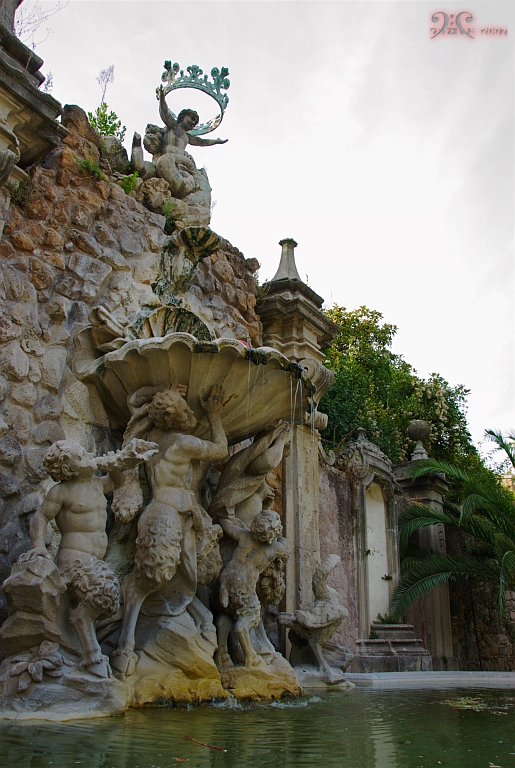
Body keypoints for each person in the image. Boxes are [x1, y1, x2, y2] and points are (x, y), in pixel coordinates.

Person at [110, 385, 228, 678]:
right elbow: (221, 450)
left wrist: (162, 391)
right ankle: (125, 643)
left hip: (181, 513)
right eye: (185, 411)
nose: (191, 414)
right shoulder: (181, 442)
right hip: (166, 514)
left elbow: (134, 398)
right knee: (152, 576)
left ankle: (189, 621)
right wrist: (213, 415)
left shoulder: (150, 437)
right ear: (173, 419)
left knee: (187, 572)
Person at [27, 438, 157, 678]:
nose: (89, 455)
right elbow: (41, 517)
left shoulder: (97, 483)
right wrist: (38, 547)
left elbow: (116, 481)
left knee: (106, 598)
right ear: (68, 468)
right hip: (73, 557)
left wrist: (125, 459)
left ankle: (83, 641)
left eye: (87, 451)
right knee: (103, 593)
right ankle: (90, 651)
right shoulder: (62, 491)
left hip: (95, 560)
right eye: (81, 455)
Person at [215, 510, 288, 669]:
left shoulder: (244, 536)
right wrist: (281, 537)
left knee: (227, 612)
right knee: (250, 615)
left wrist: (224, 512)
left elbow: (227, 525)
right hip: (245, 582)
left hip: (226, 578)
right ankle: (249, 655)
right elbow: (284, 544)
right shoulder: (275, 548)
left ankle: (221, 652)